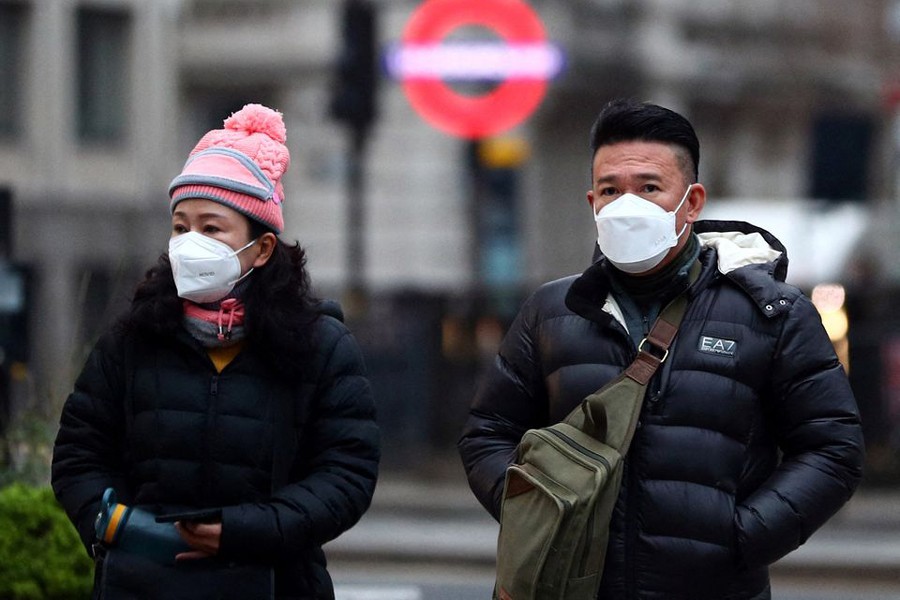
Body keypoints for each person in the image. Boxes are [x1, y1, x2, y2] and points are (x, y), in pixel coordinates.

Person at [458, 98, 864, 599]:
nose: (628, 204)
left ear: (691, 202)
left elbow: (831, 447)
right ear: (592, 204)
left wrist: (740, 537)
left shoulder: (771, 314)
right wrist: (536, 512)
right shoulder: (552, 311)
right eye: (611, 190)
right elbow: (487, 433)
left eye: (649, 187)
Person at [51, 104, 380, 599]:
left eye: (211, 228)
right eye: (181, 227)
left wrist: (243, 531)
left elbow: (346, 474)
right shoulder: (134, 336)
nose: (189, 244)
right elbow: (79, 454)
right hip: (143, 583)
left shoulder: (319, 345)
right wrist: (118, 526)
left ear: (262, 248)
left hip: (277, 584)